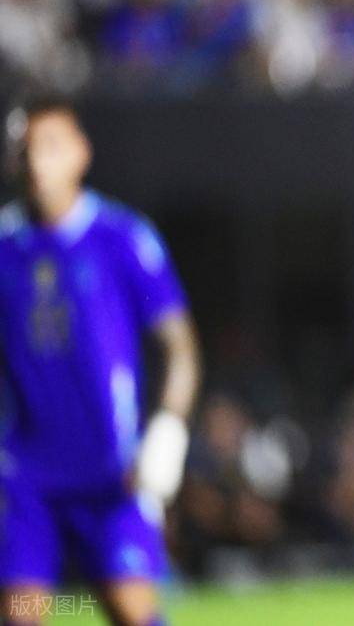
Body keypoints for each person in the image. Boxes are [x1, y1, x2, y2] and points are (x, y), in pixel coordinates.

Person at [0, 96, 200, 626]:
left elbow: (179, 347)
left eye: (49, 146)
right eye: (23, 148)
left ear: (80, 152)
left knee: (130, 609)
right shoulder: (4, 248)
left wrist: (168, 431)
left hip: (112, 473)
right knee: (20, 613)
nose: (35, 161)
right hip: (25, 476)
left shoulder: (122, 238)